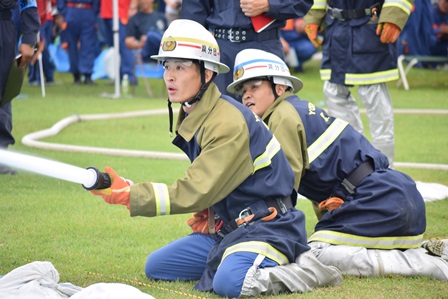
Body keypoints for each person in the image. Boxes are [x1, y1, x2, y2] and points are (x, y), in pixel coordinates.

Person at [87, 19, 342, 298]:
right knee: (158, 266)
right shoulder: (198, 112)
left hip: (269, 227)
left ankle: (308, 268)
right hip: (231, 227)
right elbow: (221, 178)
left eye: (181, 67)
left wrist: (131, 194)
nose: (169, 76)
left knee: (229, 284)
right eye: (167, 66)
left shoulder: (227, 121)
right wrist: (209, 211)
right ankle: (234, 257)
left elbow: (195, 189)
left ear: (207, 73)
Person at [225, 48, 448, 293]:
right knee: (323, 244)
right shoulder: (294, 109)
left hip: (380, 201)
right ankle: (426, 249)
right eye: (243, 90)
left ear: (279, 87)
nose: (246, 96)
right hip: (390, 197)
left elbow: (283, 187)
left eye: (254, 87)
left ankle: (428, 264)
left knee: (318, 253)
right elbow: (316, 188)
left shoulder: (282, 115)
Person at [303, 0, 414, 167]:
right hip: (337, 29)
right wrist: (313, 15)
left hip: (370, 27)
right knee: (333, 92)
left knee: (374, 94)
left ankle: (385, 171)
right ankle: (355, 166)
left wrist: (394, 14)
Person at [180, 0, 314, 97]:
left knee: (268, 122)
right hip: (221, 50)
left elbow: (303, 2)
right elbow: (193, 12)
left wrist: (269, 5)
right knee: (221, 122)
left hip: (264, 44)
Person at [0, 0, 40, 175]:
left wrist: (29, 39)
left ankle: (1, 156)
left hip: (3, 28)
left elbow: (28, 3)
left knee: (2, 94)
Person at [56, 0, 100, 84]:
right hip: (71, 10)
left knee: (88, 45)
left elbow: (97, 3)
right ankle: (76, 75)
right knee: (71, 46)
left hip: (87, 11)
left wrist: (93, 13)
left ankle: (87, 74)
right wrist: (65, 12)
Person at [100, 0, 137, 85]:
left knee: (124, 46)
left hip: (121, 13)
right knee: (114, 48)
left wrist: (133, 7)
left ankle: (129, 76)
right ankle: (120, 77)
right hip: (106, 13)